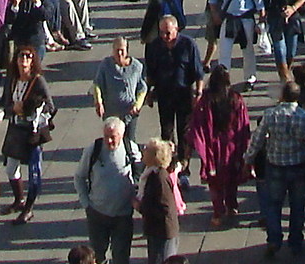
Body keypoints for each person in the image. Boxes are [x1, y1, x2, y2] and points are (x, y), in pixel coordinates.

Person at [254, 82, 305, 257]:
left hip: (275, 165)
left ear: (283, 95)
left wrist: (248, 159)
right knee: (297, 206)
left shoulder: (270, 114)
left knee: (273, 205)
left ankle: (274, 240)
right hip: (298, 165)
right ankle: (295, 242)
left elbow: (258, 139)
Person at [185, 66, 252, 228]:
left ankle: (218, 212)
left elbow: (198, 125)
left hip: (213, 146)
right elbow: (243, 123)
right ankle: (232, 205)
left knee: (215, 181)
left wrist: (192, 145)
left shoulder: (206, 100)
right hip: (232, 144)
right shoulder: (236, 98)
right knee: (232, 177)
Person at [76, 117, 143, 264]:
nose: (109, 141)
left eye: (113, 137)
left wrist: (136, 196)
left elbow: (140, 175)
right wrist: (86, 203)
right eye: (106, 136)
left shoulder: (131, 149)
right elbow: (79, 177)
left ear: (122, 135)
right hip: (97, 214)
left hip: (123, 215)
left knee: (121, 257)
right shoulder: (93, 150)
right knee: (97, 256)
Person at [1, 44, 55, 222]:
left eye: (28, 57)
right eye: (21, 57)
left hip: (33, 132)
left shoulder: (38, 81)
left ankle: (29, 208)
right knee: (10, 168)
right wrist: (13, 109)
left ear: (33, 61)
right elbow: (5, 104)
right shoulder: (12, 80)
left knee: (34, 172)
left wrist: (30, 108)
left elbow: (50, 106)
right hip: (15, 129)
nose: (24, 60)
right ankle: (19, 199)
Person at [146, 12, 203, 147]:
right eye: (161, 33)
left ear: (176, 29)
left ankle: (183, 158)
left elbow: (198, 72)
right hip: (164, 93)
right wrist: (149, 93)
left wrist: (198, 93)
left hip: (184, 93)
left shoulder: (188, 45)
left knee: (184, 131)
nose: (164, 36)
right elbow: (150, 73)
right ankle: (168, 156)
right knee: (166, 132)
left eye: (168, 33)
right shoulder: (154, 46)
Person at [136, 139, 186, 264]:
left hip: (162, 232)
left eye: (147, 150)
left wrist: (140, 207)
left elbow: (165, 207)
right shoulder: (152, 173)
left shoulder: (159, 177)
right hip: (156, 230)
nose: (143, 151)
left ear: (155, 156)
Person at [92, 35, 149, 139]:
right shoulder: (106, 65)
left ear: (127, 51)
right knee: (113, 139)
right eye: (116, 50)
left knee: (129, 141)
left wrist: (137, 105)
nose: (119, 53)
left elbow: (142, 88)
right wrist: (98, 103)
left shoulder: (136, 66)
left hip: (129, 112)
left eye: (122, 50)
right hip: (111, 112)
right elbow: (97, 84)